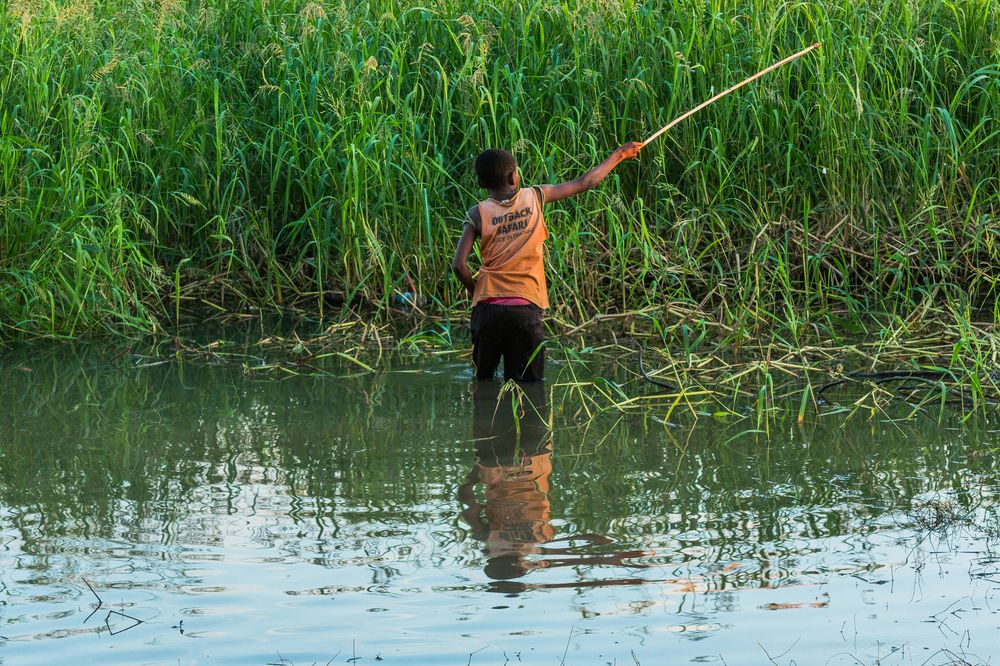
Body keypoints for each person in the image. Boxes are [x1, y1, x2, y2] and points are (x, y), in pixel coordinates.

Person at [451, 142, 643, 382]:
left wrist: (475, 291)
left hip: (487, 310)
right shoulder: (536, 196)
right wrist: (620, 155)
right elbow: (585, 183)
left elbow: (459, 264)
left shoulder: (476, 213)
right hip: (525, 308)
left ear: (481, 184)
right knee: (529, 389)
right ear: (513, 177)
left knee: (483, 383)